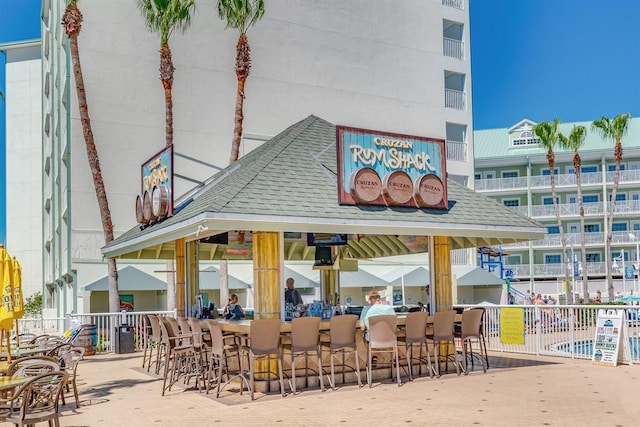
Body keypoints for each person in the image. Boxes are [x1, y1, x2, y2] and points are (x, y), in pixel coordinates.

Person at [360, 292, 396, 366]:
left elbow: (362, 328)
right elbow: (395, 323)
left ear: (370, 300)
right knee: (393, 334)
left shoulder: (365, 310)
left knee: (365, 337)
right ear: (379, 299)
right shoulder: (389, 308)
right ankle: (393, 358)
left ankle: (374, 355)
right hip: (388, 339)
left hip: (373, 340)